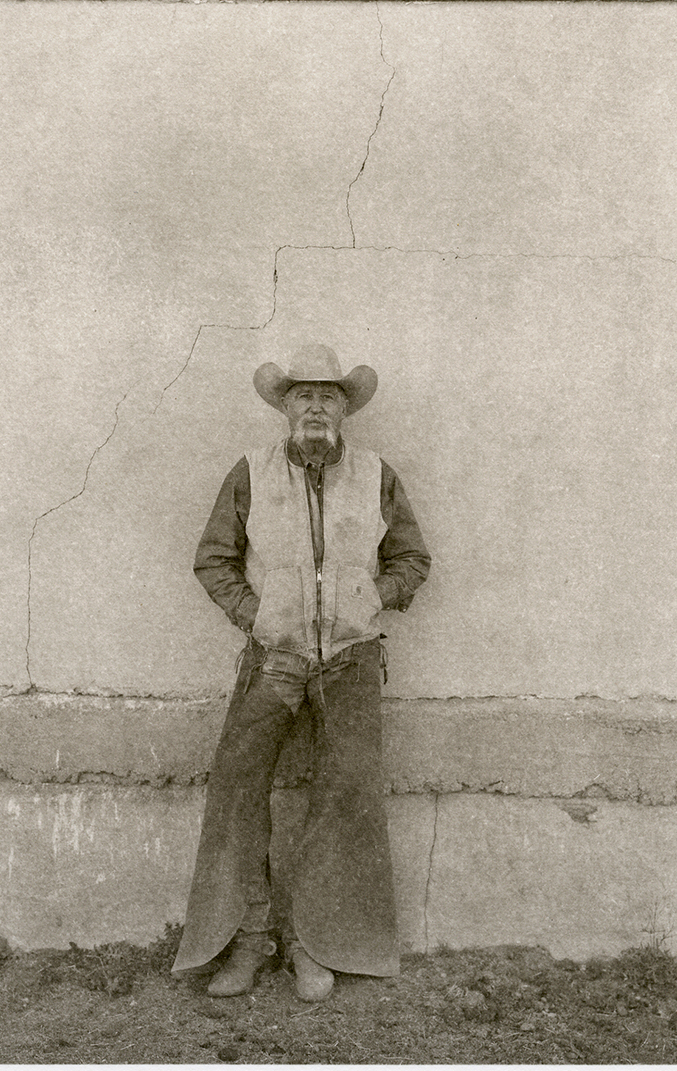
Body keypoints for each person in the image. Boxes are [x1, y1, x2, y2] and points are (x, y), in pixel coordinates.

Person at [172, 343, 430, 1002]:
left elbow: (411, 559)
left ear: (345, 410)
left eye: (328, 396)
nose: (315, 406)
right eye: (302, 396)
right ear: (285, 408)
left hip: (350, 660)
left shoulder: (376, 475)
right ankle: (249, 942)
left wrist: (374, 598)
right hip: (274, 658)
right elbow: (213, 561)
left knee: (345, 794)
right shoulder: (252, 473)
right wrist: (255, 617)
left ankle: (313, 947)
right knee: (235, 789)